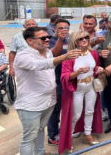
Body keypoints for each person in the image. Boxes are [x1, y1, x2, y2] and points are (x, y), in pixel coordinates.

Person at [14, 27, 80, 155]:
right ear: (30, 41)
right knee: (29, 138)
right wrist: (64, 57)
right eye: (43, 38)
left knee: (40, 129)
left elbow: (49, 70)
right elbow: (39, 65)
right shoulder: (23, 56)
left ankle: (40, 152)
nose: (47, 40)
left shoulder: (48, 52)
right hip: (30, 105)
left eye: (48, 37)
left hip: (48, 101)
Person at [58, 31, 104, 153]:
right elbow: (64, 76)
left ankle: (87, 134)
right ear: (74, 41)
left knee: (90, 111)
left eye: (86, 37)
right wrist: (77, 72)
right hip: (77, 88)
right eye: (80, 39)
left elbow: (96, 67)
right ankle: (68, 138)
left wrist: (98, 70)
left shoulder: (93, 53)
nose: (84, 40)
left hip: (91, 87)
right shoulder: (70, 56)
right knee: (75, 115)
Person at [47, 19, 71, 145]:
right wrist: (60, 40)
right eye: (60, 28)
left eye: (66, 28)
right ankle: (52, 136)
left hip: (66, 79)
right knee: (54, 110)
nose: (63, 30)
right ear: (55, 29)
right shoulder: (49, 41)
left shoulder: (68, 40)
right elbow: (54, 55)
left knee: (64, 107)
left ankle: (60, 131)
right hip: (55, 81)